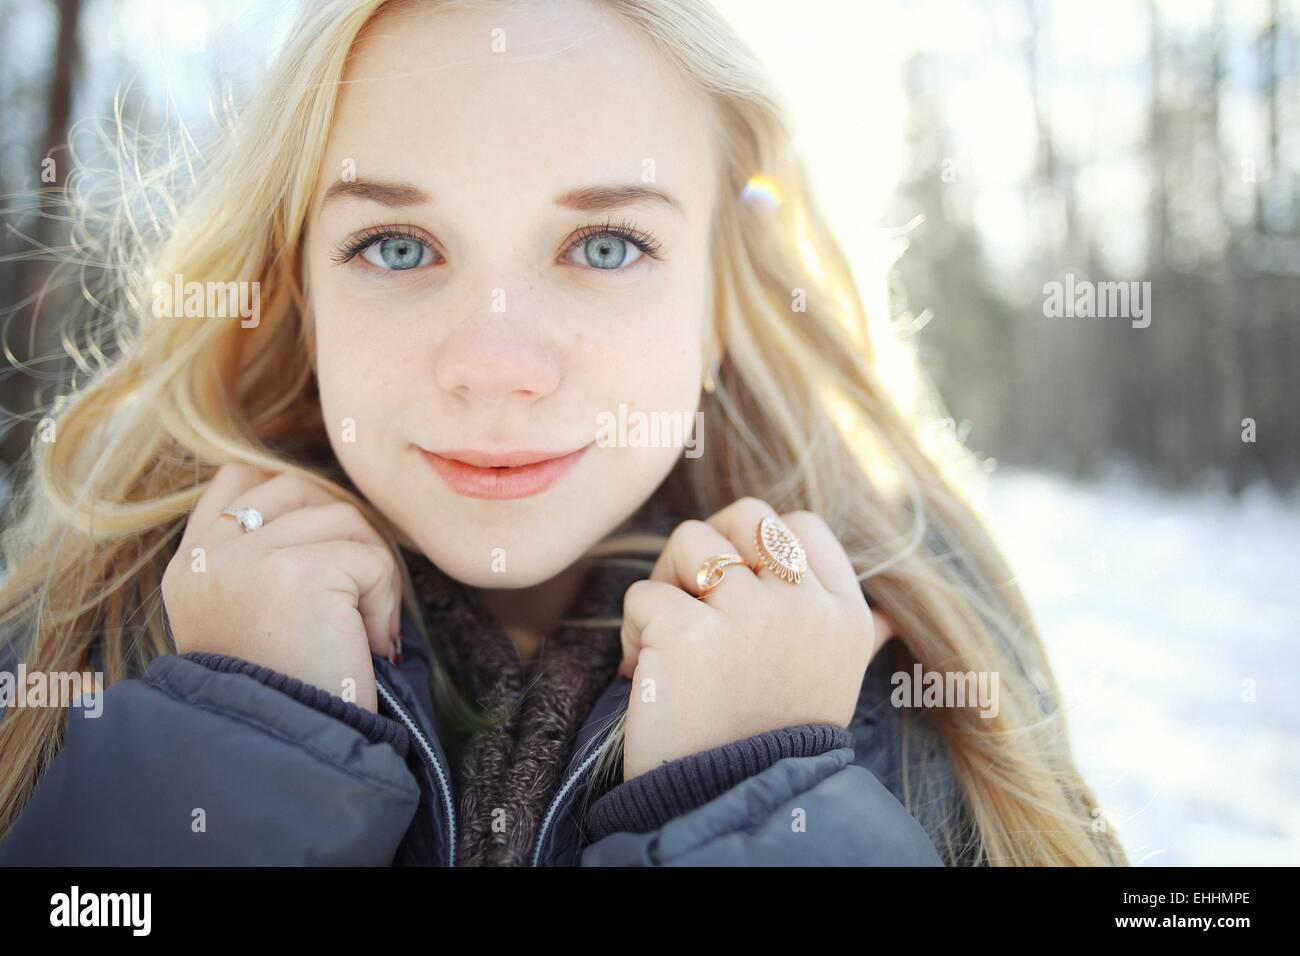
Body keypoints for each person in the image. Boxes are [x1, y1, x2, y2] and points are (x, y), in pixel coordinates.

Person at [0, 0, 1127, 866]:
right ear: (296, 291)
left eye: (603, 247)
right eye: (397, 246)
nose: (495, 364)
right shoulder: (80, 647)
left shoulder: (926, 702)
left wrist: (761, 797)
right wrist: (231, 748)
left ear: (721, 306)